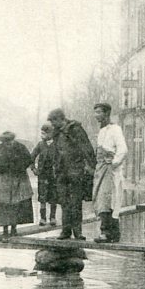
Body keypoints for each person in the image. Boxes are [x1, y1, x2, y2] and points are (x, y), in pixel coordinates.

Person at [48, 108, 95, 241]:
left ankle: (78, 232)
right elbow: (55, 151)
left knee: (76, 202)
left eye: (53, 122)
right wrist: (55, 167)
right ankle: (65, 231)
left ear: (59, 119)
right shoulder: (57, 133)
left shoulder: (76, 129)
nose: (52, 125)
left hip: (75, 171)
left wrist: (93, 166)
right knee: (64, 202)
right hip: (61, 172)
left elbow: (86, 147)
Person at [92, 103, 128, 243]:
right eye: (95, 112)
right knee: (101, 198)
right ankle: (113, 233)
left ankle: (106, 233)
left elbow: (123, 149)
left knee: (107, 200)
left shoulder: (115, 129)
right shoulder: (101, 131)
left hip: (109, 170)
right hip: (101, 169)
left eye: (99, 112)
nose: (96, 115)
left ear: (107, 114)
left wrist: (113, 163)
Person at [0, 131, 34, 237]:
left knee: (17, 203)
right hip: (4, 179)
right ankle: (5, 229)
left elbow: (28, 160)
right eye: (5, 142)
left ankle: (14, 228)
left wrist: (18, 167)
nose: (8, 144)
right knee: (3, 203)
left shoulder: (21, 147)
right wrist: (3, 168)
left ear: (13, 139)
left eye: (9, 141)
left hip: (19, 178)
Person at [30, 122, 58, 226]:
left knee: (54, 196)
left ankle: (53, 217)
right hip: (43, 174)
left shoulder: (57, 144)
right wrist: (33, 169)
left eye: (45, 133)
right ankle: (42, 218)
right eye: (41, 133)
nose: (43, 136)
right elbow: (31, 157)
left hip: (54, 174)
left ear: (51, 133)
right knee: (42, 196)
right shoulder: (40, 144)